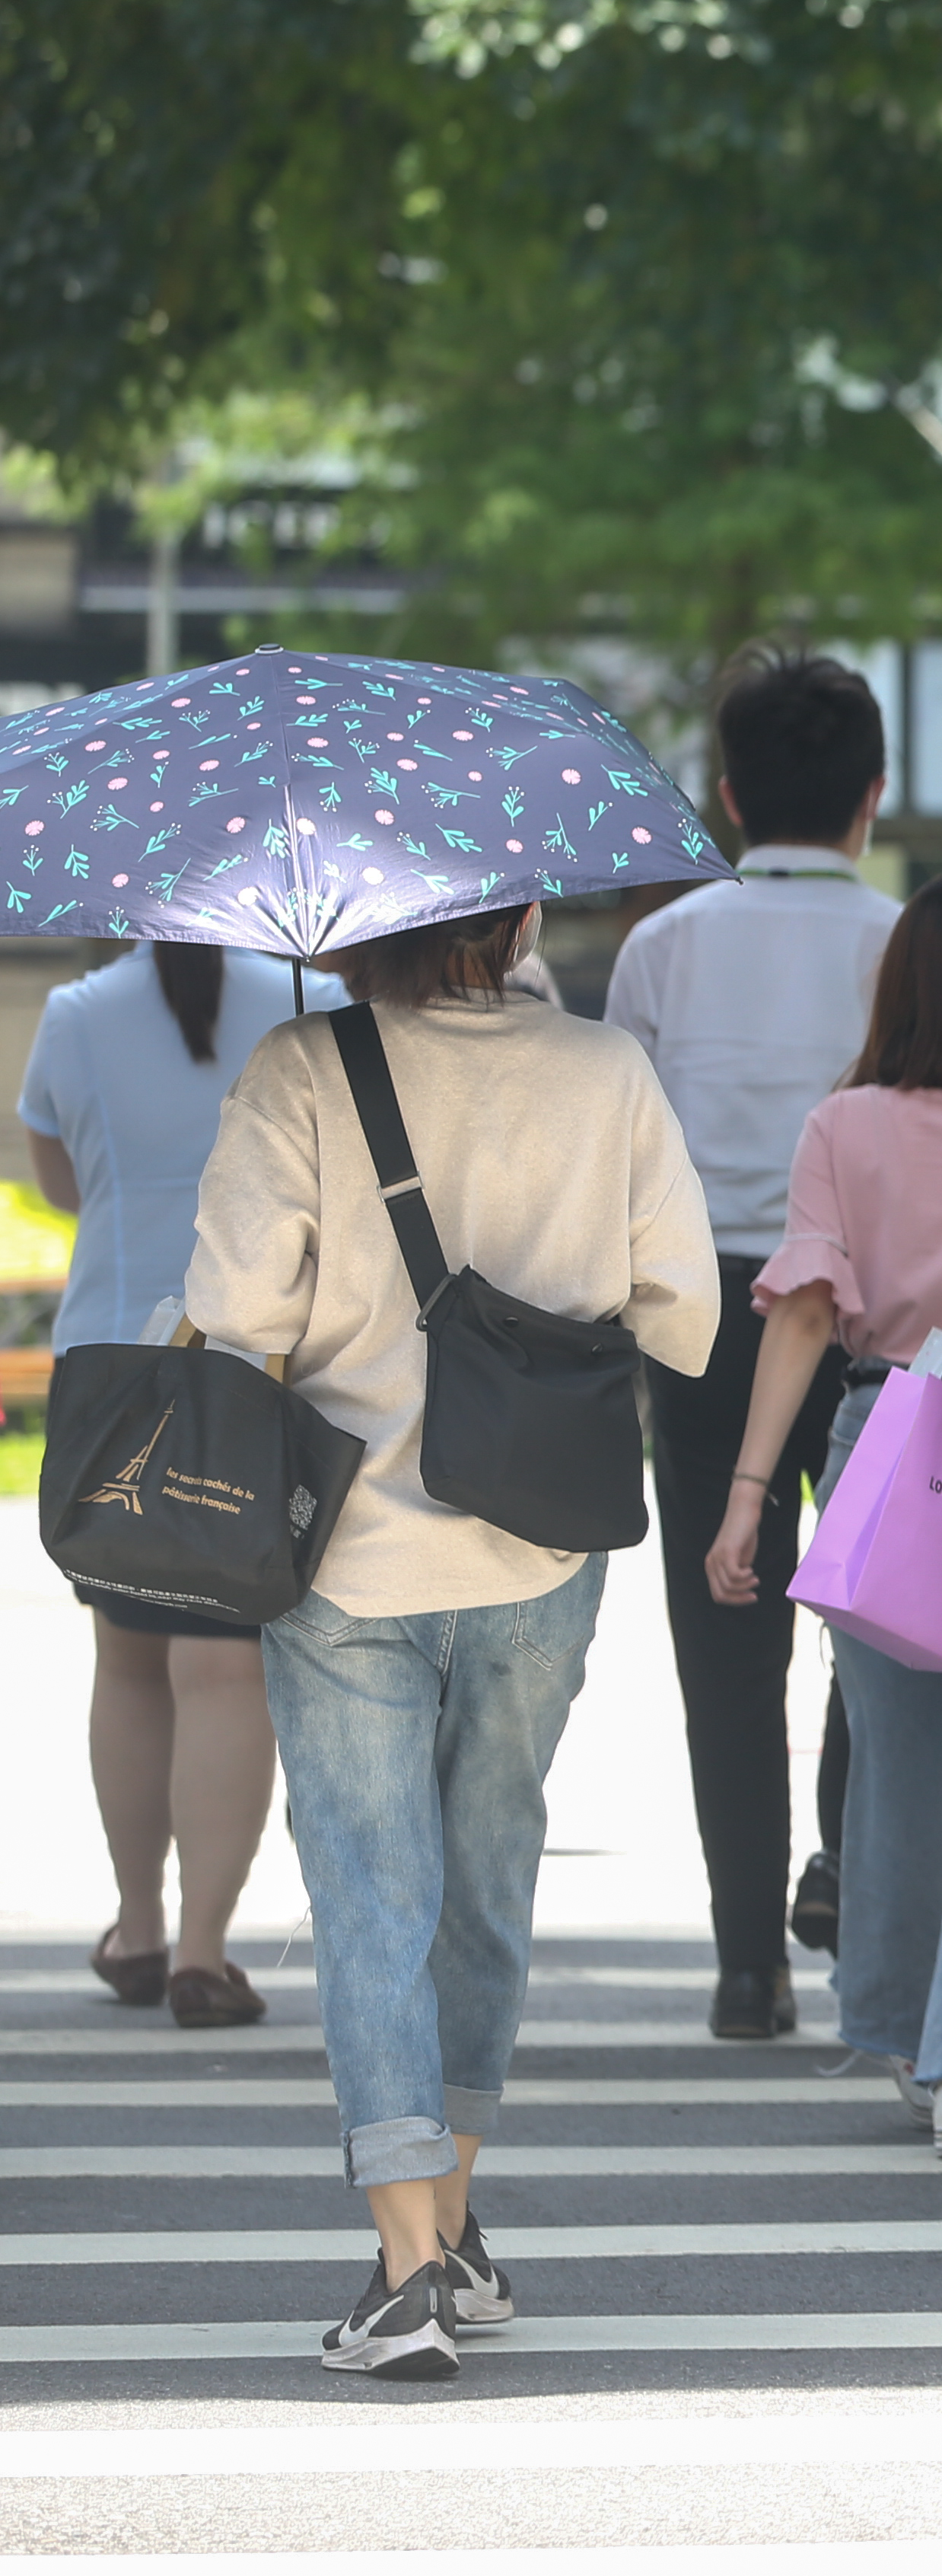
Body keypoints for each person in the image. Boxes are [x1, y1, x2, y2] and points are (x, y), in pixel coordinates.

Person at [189, 897, 718, 2379]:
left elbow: (232, 1311)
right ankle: (456, 2223)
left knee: (372, 1896)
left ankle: (411, 2262)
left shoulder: (305, 1064)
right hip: (544, 1544)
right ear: (528, 914)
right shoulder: (607, 1069)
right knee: (486, 1884)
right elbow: (686, 1320)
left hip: (347, 1546)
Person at [705, 868, 942, 2159]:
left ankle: (918, 2041)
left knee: (899, 1771)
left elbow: (805, 1311)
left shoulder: (842, 1125)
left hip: (884, 1437)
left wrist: (750, 1495)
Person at [607, 655, 901, 2041]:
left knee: (723, 1639)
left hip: (704, 1310)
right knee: (882, 1607)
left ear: (727, 794)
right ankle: (840, 1857)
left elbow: (624, 1148)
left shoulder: (663, 948)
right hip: (877, 1317)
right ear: (873, 796)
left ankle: (747, 1971)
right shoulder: (907, 943)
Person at [27, 942, 340, 2029]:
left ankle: (138, 1924)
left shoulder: (73, 1013)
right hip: (254, 1373)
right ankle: (204, 1952)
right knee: (226, 1671)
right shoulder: (316, 1009)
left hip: (111, 1366)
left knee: (126, 1663)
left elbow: (56, 1176)